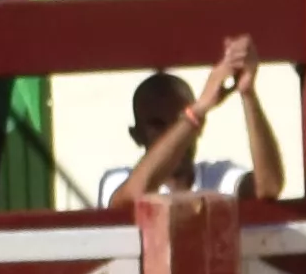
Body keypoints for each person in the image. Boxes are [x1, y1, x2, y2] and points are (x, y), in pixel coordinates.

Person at [100, 43, 294, 206]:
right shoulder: (116, 178)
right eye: (158, 125)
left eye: (178, 120)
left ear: (200, 129)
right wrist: (198, 110)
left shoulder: (219, 176)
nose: (175, 133)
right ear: (137, 135)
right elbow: (132, 198)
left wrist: (248, 93)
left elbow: (269, 187)